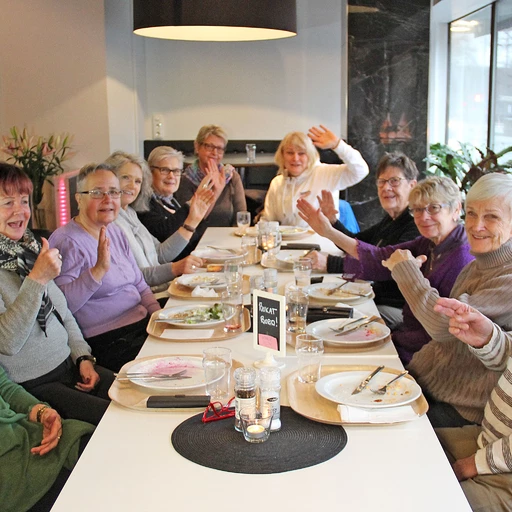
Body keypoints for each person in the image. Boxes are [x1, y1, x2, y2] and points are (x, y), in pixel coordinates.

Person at [381, 173, 512, 428]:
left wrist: (408, 272)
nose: (476, 226)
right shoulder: (477, 266)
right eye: (472, 214)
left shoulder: (506, 276)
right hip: (428, 384)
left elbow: (442, 328)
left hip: (459, 408)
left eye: (491, 217)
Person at [298, 176, 474, 365]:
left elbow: (441, 328)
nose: (424, 217)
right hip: (408, 334)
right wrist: (329, 232)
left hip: (429, 354)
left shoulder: (462, 258)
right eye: (417, 210)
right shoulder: (429, 242)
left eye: (433, 208)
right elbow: (380, 257)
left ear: (456, 209)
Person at [0, 163, 113, 426]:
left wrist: (83, 358)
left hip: (70, 366)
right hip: (34, 386)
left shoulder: (27, 251)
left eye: (24, 201)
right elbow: (7, 342)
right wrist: (37, 279)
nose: (20, 211)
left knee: (137, 397)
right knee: (116, 421)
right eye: (7, 203)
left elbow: (64, 315)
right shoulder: (34, 265)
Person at [49, 163, 160, 373]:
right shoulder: (67, 241)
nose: (108, 200)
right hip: (109, 339)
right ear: (78, 198)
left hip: (142, 322)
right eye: (97, 193)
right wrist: (98, 270)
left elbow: (139, 284)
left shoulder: (115, 231)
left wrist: (159, 317)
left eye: (113, 192)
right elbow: (62, 306)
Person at [307, 152, 420, 328]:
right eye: (382, 182)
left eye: (394, 181)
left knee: (333, 321)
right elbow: (356, 243)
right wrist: (333, 222)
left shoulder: (416, 224)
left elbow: (382, 264)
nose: (386, 187)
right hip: (374, 296)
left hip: (398, 308)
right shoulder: (391, 219)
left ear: (412, 185)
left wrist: (331, 262)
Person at [433, 297, 512, 511]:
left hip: (505, 473)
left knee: (428, 500)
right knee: (412, 446)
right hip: (490, 439)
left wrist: (472, 464)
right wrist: (489, 338)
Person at [105, 150, 213, 293]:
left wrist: (192, 221)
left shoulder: (130, 213)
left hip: (163, 290)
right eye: (126, 178)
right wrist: (175, 268)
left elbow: (160, 254)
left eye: (137, 181)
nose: (132, 186)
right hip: (149, 297)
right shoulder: (109, 222)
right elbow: (131, 276)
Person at [0, 365, 94, 512]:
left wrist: (42, 412)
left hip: (25, 434)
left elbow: (5, 387)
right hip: (10, 470)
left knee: (100, 451)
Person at [259, 125, 369, 227]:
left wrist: (337, 145)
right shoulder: (277, 183)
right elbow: (268, 220)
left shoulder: (325, 174)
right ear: (282, 155)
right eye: (290, 153)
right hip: (286, 244)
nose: (295, 158)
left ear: (310, 155)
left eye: (301, 153)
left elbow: (361, 170)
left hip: (321, 243)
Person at [137, 146, 218, 253]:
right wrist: (192, 203)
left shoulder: (171, 200)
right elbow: (164, 234)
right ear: (150, 173)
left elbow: (197, 232)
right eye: (165, 170)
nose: (171, 176)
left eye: (176, 171)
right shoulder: (144, 203)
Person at [174, 125, 247, 228]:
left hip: (227, 238)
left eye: (219, 149)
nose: (214, 153)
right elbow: (189, 221)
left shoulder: (231, 177)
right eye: (209, 147)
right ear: (197, 146)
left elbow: (241, 218)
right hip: (195, 240)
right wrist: (215, 189)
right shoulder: (185, 179)